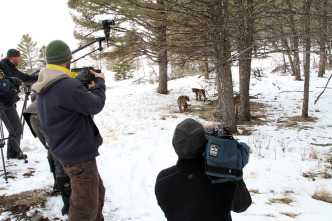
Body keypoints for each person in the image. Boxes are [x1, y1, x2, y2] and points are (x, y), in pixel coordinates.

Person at [31, 40, 106, 221]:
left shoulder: (45, 82)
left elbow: (68, 109)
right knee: (85, 206)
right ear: (68, 60)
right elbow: (95, 105)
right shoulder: (66, 85)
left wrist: (84, 91)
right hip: (78, 155)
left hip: (66, 150)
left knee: (97, 192)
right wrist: (100, 83)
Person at [155, 118, 238, 221]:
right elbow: (241, 206)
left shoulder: (163, 180)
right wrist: (235, 170)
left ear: (174, 145)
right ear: (206, 144)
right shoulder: (222, 177)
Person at [23, 92, 71, 215]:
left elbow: (35, 95)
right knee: (59, 156)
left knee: (51, 149)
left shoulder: (48, 79)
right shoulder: (69, 82)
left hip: (32, 113)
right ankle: (67, 205)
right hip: (46, 115)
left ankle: (57, 183)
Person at [0, 49, 38, 159]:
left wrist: (40, 76)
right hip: (3, 103)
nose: (19, 60)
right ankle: (13, 154)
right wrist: (10, 80)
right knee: (16, 128)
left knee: (15, 128)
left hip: (9, 102)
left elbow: (26, 78)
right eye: (18, 58)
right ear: (12, 58)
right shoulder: (2, 65)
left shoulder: (13, 69)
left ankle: (13, 153)